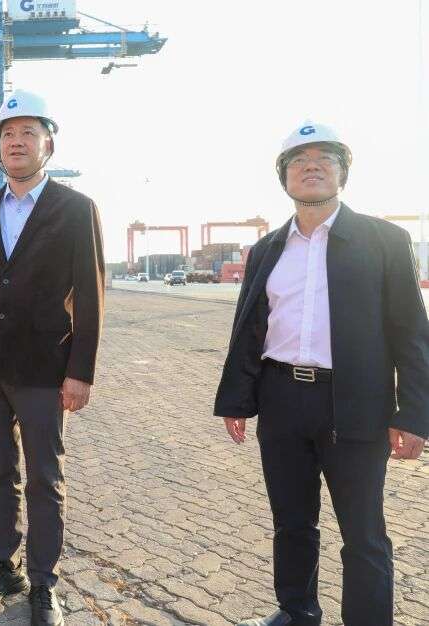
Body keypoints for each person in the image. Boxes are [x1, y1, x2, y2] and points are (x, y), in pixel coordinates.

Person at [214, 121, 429, 626]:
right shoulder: (267, 249)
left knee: (363, 533)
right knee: (291, 521)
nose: (310, 167)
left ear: (342, 173)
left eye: (324, 159)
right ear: (284, 177)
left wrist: (415, 414)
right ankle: (296, 611)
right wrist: (237, 399)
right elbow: (250, 327)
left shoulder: (385, 241)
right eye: (298, 161)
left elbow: (412, 334)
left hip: (356, 405)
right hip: (282, 400)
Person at [0, 90, 105, 626]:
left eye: (27, 133)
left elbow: (91, 294)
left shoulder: (76, 209)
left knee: (44, 478)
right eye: (7, 134)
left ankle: (43, 582)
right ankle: (3, 566)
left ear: (48, 145)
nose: (16, 142)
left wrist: (80, 371)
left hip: (44, 369)